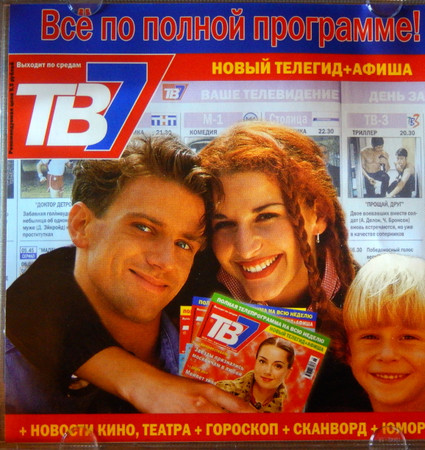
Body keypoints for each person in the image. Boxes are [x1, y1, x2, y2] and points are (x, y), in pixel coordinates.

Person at [6, 121, 364, 413]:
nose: (245, 246)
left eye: (267, 216)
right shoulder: (194, 272)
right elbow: (40, 288)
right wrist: (139, 382)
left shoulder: (367, 302)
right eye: (224, 223)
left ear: (318, 214)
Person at [6, 135, 253, 414]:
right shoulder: (11, 376)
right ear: (81, 225)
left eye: (184, 244)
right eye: (143, 228)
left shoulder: (235, 365)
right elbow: (37, 285)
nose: (165, 262)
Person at [342, 253, 425, 412]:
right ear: (349, 351)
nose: (387, 355)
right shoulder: (336, 425)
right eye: (370, 337)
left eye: (408, 337)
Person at [216, 337, 294, 413]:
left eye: (278, 366)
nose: (267, 371)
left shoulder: (289, 410)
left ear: (288, 373)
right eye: (262, 361)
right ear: (256, 361)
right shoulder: (224, 390)